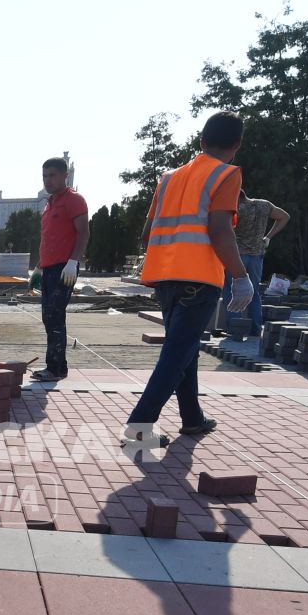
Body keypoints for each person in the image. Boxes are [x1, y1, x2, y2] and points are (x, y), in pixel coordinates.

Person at [122, 112, 250, 445]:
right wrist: (240, 275)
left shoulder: (169, 178)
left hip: (165, 278)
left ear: (201, 141)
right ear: (236, 145)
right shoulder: (227, 174)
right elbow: (220, 230)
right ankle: (139, 428)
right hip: (199, 279)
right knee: (177, 354)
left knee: (184, 350)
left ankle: (192, 417)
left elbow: (148, 231)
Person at [32, 157, 88, 383]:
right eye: (45, 176)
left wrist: (73, 262)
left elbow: (83, 233)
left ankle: (55, 368)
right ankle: (56, 366)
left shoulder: (73, 200)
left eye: (52, 175)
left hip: (64, 268)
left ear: (65, 175)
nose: (48, 180)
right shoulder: (49, 204)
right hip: (49, 269)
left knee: (55, 317)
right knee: (48, 317)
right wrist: (38, 268)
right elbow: (47, 239)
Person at [225, 189, 289, 338]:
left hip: (237, 255)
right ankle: (255, 330)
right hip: (256, 255)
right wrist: (268, 237)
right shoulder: (263, 205)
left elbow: (223, 230)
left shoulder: (235, 209)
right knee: (254, 292)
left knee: (231, 290)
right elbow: (285, 217)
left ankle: (235, 329)